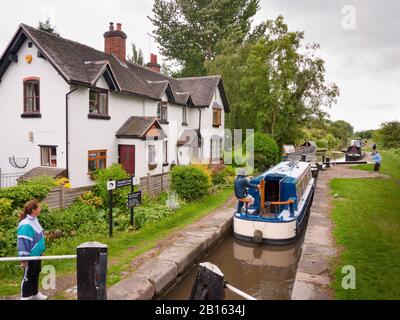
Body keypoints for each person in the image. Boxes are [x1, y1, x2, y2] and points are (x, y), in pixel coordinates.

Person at [17, 200, 47, 300]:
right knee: (28, 276)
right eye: (38, 207)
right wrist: (24, 259)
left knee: (36, 273)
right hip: (29, 256)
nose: (40, 209)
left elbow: (39, 236)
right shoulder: (25, 224)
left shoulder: (35, 220)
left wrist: (42, 249)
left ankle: (35, 293)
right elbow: (23, 242)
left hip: (37, 254)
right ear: (33, 210)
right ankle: (25, 296)